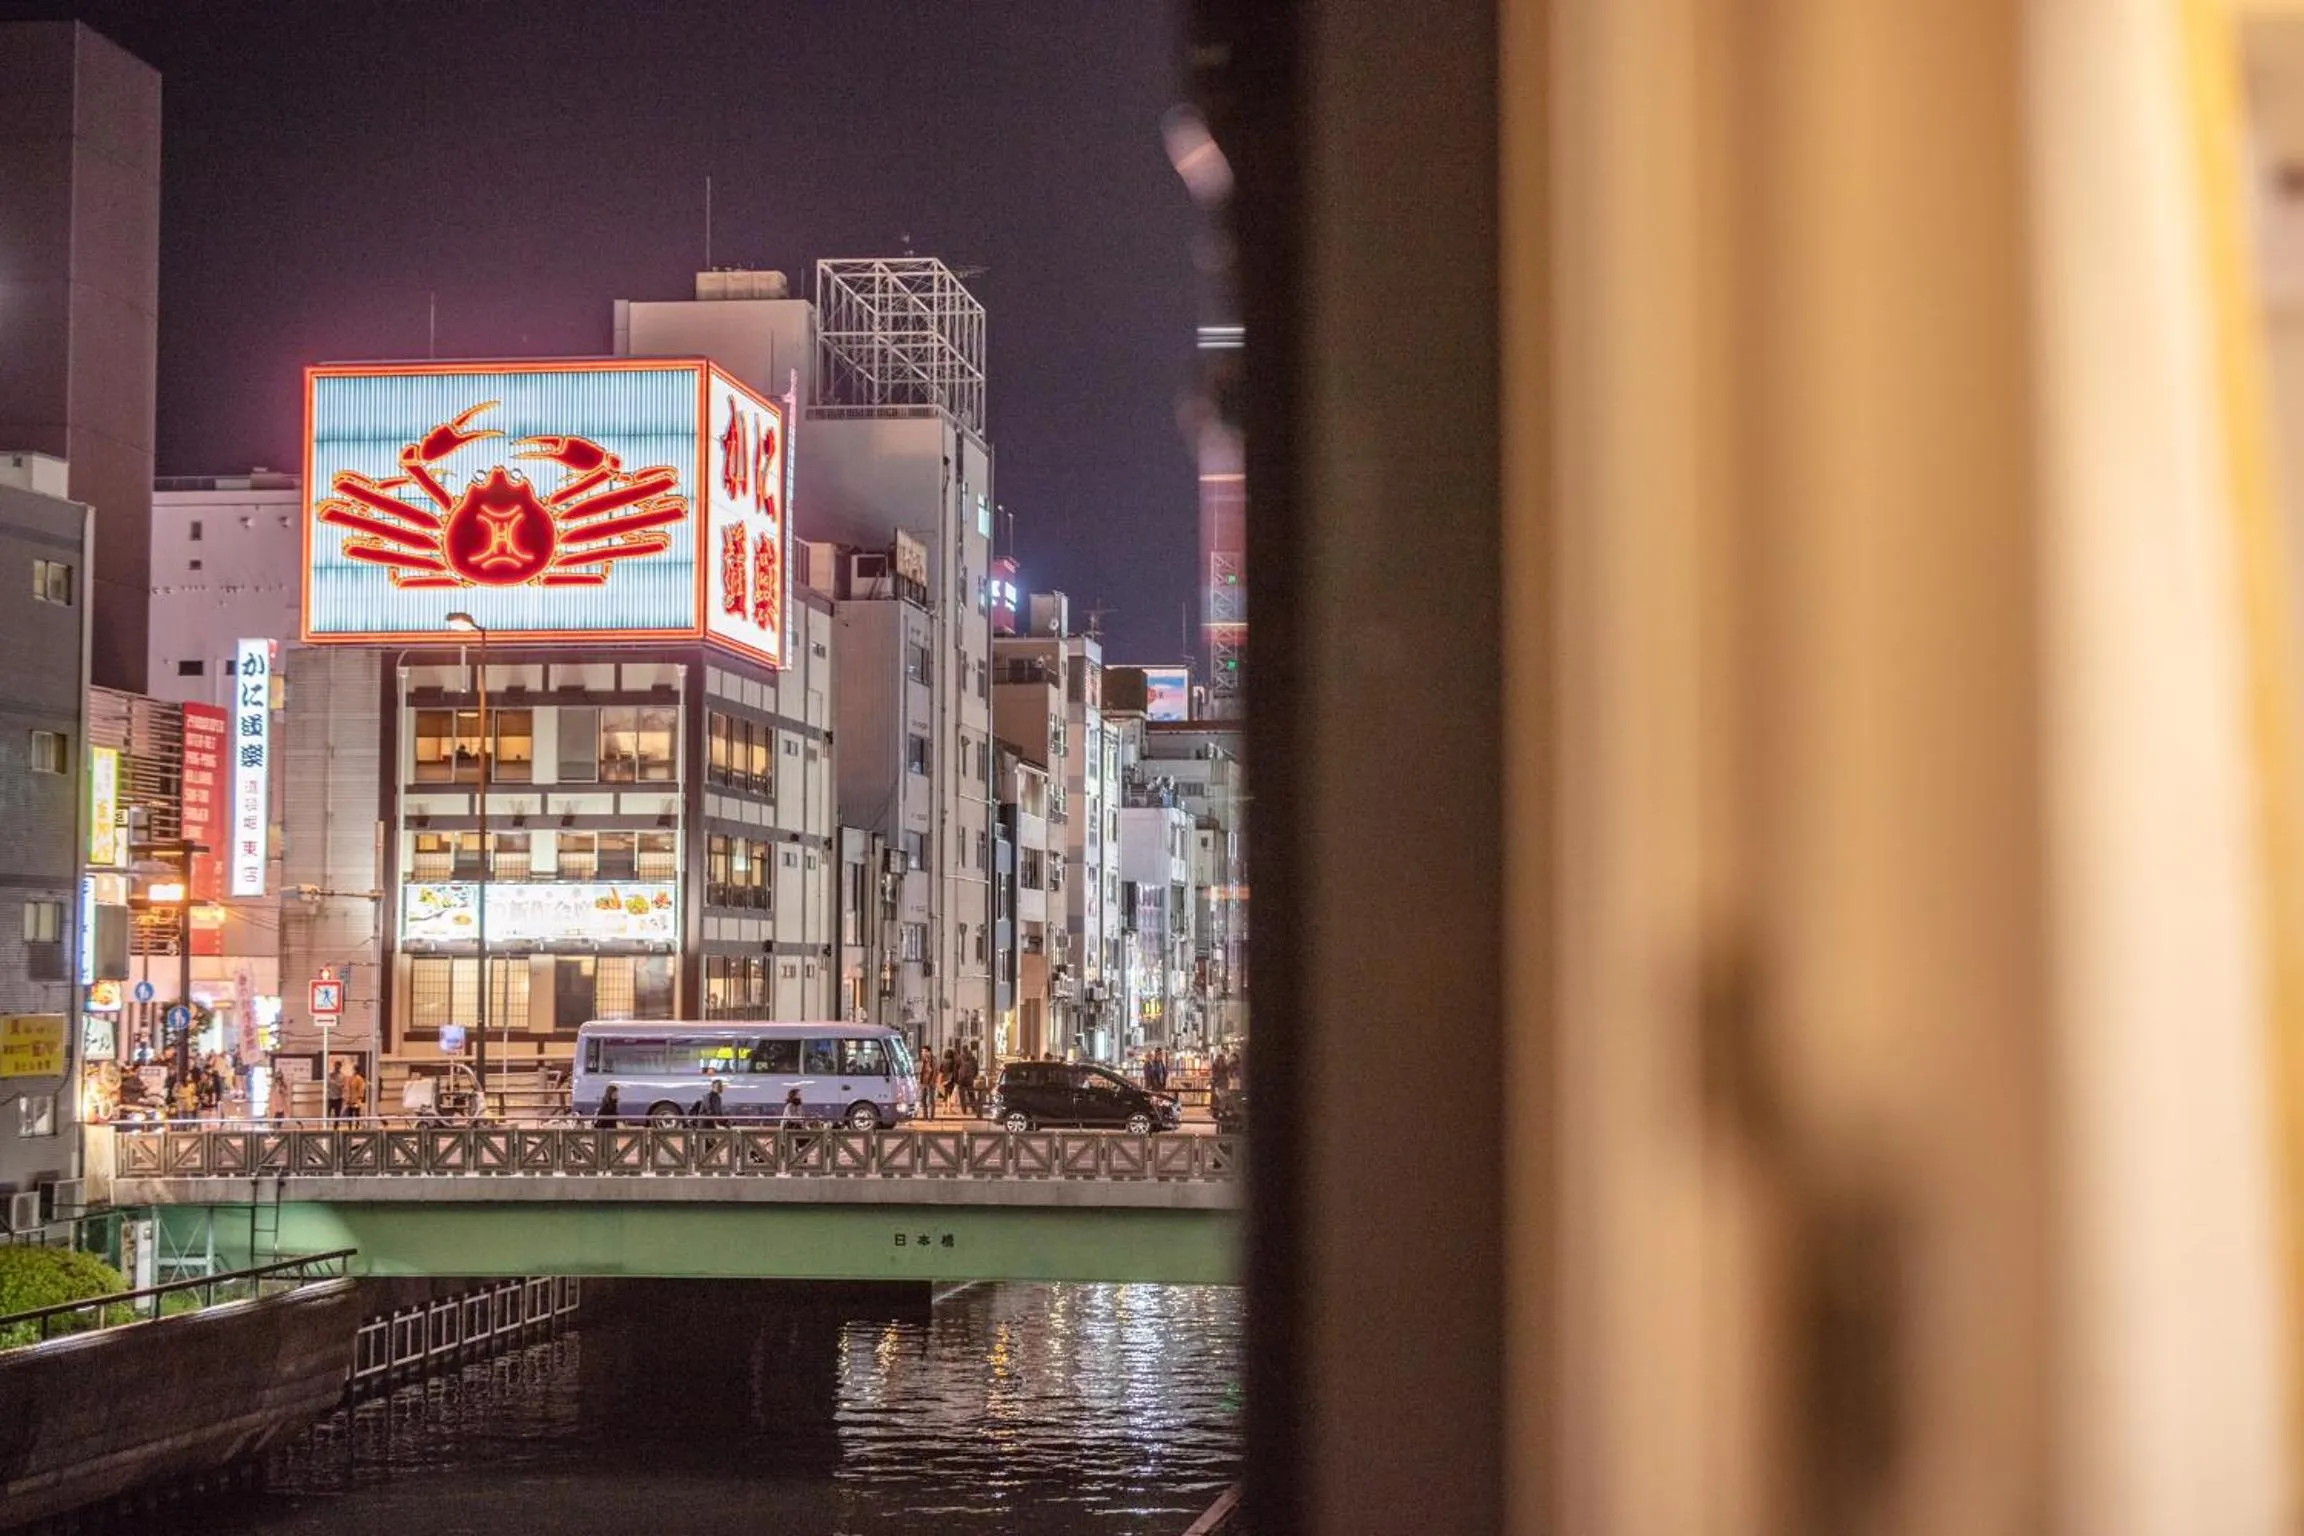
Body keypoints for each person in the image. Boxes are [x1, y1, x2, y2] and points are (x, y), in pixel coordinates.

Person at [918, 1050, 940, 1119]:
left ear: (929, 1052)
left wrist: (933, 1081)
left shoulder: (933, 1061)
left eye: (924, 1052)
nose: (923, 1053)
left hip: (931, 1083)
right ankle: (925, 1116)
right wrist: (920, 1082)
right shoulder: (923, 1062)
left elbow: (935, 1072)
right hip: (924, 1083)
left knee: (931, 1100)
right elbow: (921, 1072)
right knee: (922, 1099)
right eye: (922, 1052)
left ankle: (931, 1116)